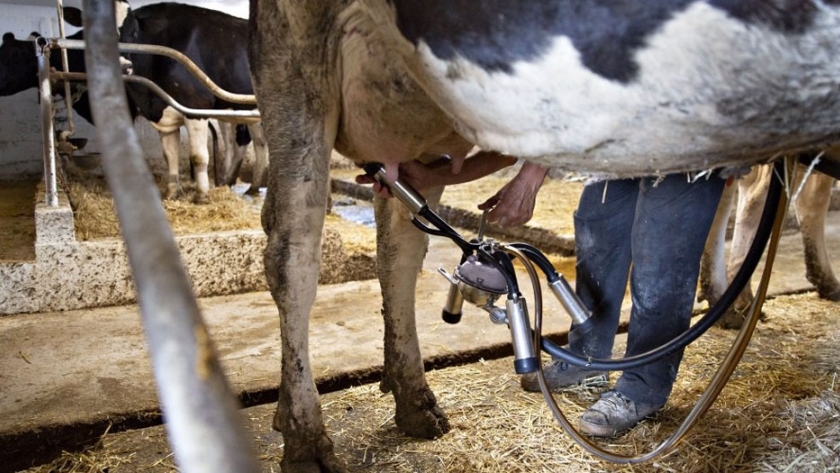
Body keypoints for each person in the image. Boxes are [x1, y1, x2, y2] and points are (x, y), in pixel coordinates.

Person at [361, 156, 726, 437]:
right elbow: (507, 149)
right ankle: (586, 358)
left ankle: (642, 388)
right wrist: (429, 176)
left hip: (685, 133)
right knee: (598, 229)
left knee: (660, 253)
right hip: (624, 134)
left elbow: (544, 124)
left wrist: (530, 178)